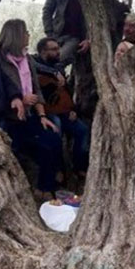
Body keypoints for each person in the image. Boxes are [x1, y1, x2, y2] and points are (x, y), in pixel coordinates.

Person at [0, 19, 63, 199]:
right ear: (16, 36)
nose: (28, 36)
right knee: (39, 147)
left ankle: (44, 188)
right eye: (25, 33)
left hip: (31, 114)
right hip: (10, 117)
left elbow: (36, 89)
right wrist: (20, 100)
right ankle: (40, 188)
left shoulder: (27, 59)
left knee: (53, 137)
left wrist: (42, 115)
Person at [33, 37, 91, 177]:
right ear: (43, 51)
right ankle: (58, 169)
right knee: (55, 129)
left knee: (82, 131)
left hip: (63, 111)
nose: (58, 52)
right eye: (54, 49)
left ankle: (79, 167)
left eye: (58, 49)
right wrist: (53, 74)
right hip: (46, 113)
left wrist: (72, 110)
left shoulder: (58, 67)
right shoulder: (33, 64)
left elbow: (66, 93)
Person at [42, 0, 90, 68]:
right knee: (43, 60)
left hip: (74, 38)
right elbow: (47, 10)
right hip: (56, 34)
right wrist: (49, 32)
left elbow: (92, 21)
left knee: (58, 60)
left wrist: (88, 39)